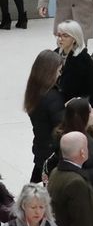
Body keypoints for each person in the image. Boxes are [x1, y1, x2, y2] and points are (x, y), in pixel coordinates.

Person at [24, 51, 66, 183]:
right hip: (52, 153)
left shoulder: (33, 93)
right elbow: (61, 127)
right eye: (58, 70)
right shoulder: (53, 97)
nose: (60, 74)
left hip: (41, 148)